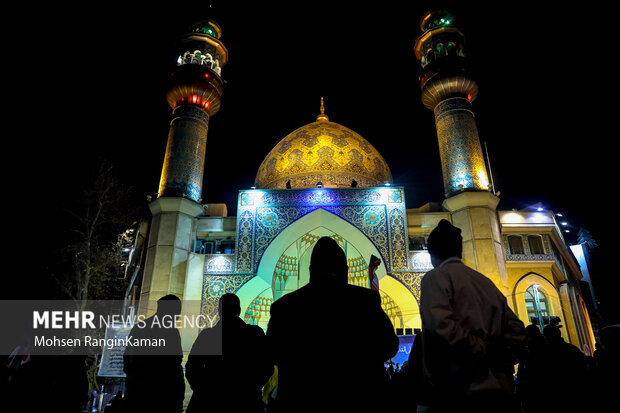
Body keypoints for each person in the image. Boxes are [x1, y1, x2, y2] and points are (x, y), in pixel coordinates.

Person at [266, 236, 399, 412]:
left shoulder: (284, 307)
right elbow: (389, 346)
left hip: (299, 403)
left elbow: (272, 354)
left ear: (311, 270)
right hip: (361, 401)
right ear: (345, 269)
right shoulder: (365, 301)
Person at [417, 219, 526, 413]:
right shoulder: (486, 283)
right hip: (500, 390)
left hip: (459, 393)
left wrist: (481, 350)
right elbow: (517, 329)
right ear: (460, 250)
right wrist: (501, 357)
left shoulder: (435, 277)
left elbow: (442, 328)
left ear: (431, 253)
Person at [185, 293, 273, 413]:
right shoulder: (254, 334)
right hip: (246, 402)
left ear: (219, 311)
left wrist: (204, 390)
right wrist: (251, 388)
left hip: (209, 402)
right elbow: (267, 366)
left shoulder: (208, 336)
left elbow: (192, 368)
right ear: (239, 310)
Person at [123, 294, 185, 413]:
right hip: (161, 398)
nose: (178, 316)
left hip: (138, 394)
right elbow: (175, 365)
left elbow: (128, 362)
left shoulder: (139, 328)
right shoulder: (171, 333)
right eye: (177, 311)